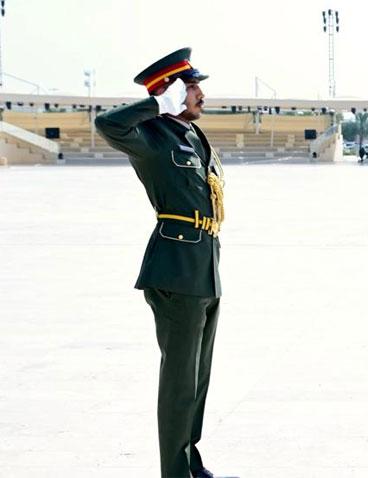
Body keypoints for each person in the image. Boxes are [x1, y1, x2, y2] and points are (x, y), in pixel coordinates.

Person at [94, 47, 225, 478]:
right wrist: (155, 105)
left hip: (204, 267)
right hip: (175, 270)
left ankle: (190, 460)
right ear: (170, 93)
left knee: (198, 380)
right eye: (190, 87)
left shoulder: (193, 136)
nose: (200, 93)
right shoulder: (151, 136)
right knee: (179, 383)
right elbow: (106, 124)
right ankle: (174, 472)